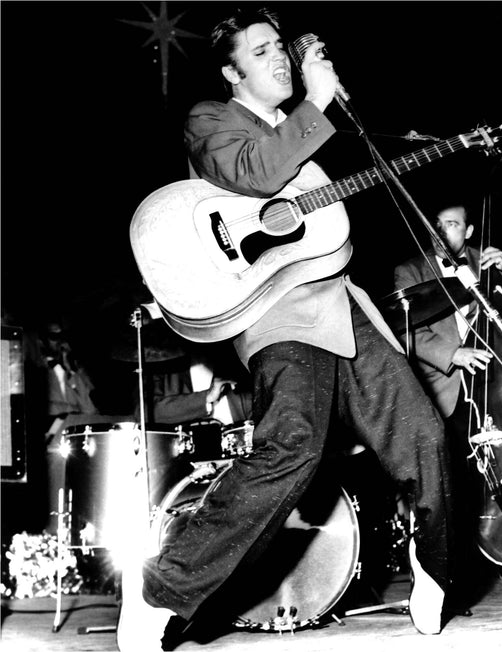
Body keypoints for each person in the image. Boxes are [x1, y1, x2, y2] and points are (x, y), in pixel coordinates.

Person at [117, 8, 453, 649]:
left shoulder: (308, 132)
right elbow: (253, 174)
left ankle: (433, 569)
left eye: (282, 48)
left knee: (424, 434)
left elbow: (318, 219)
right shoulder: (210, 120)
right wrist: (317, 105)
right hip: (275, 309)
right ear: (231, 71)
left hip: (342, 302)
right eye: (264, 50)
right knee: (292, 445)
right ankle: (163, 588)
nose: (281, 58)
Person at [393, 202, 502, 606]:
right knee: (459, 482)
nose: (441, 232)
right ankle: (457, 574)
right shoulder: (411, 270)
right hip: (447, 387)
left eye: (451, 225)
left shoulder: (489, 261)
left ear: (469, 231)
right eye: (436, 225)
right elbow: (403, 332)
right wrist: (453, 354)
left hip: (501, 385)